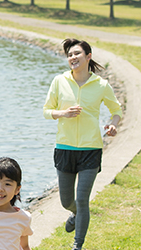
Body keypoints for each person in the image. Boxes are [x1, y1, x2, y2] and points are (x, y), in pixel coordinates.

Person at [42, 38, 122, 250]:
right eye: (69, 55)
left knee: (83, 198)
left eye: (77, 53)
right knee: (66, 201)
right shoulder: (60, 81)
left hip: (90, 150)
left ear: (88, 57)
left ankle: (78, 245)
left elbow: (117, 110)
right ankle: (74, 213)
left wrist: (113, 125)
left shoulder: (101, 85)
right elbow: (46, 111)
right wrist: (63, 113)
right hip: (65, 148)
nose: (72, 57)